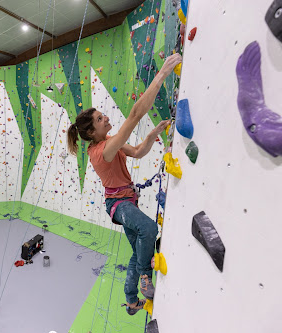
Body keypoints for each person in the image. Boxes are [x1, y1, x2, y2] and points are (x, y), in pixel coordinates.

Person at [67, 53, 182, 315]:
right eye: (99, 119)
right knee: (148, 229)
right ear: (90, 133)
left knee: (137, 250)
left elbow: (139, 151)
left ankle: (131, 301)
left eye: (102, 115)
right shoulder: (101, 151)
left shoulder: (111, 144)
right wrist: (162, 74)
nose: (105, 118)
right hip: (118, 204)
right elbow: (133, 117)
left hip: (127, 200)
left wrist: (154, 134)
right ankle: (144, 276)